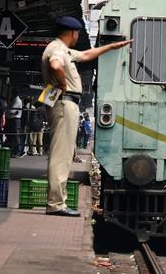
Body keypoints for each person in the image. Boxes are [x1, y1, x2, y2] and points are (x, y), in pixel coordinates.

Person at [41, 15, 131, 217]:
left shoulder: (62, 49)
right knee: (61, 156)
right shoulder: (57, 50)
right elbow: (55, 65)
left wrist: (112, 47)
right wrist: (63, 83)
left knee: (63, 154)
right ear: (73, 33)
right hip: (64, 102)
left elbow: (87, 55)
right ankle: (56, 204)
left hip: (64, 103)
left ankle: (58, 202)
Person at [8, 92, 24, 156]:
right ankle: (16, 150)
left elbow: (12, 111)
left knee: (16, 136)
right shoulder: (17, 100)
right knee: (15, 136)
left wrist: (8, 111)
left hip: (15, 120)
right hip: (16, 120)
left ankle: (18, 151)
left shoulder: (17, 101)